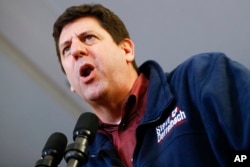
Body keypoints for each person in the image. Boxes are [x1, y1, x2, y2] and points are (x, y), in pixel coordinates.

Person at [52, 3, 250, 167]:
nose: (77, 50)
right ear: (71, 83)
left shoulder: (202, 77)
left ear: (126, 50)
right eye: (66, 49)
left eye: (89, 38)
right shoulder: (84, 161)